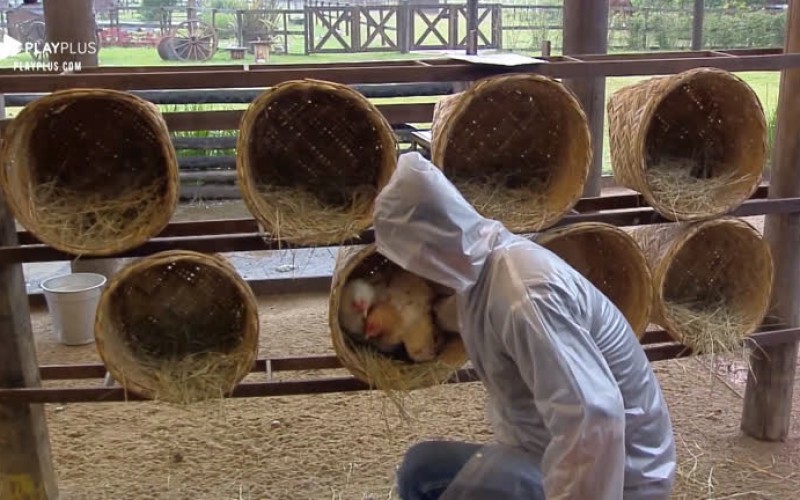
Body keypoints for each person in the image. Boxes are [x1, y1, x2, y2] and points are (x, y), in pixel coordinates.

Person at [372, 152, 677, 500]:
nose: (410, 274)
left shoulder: (524, 297)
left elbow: (595, 420)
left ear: (429, 250)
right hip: (547, 448)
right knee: (421, 468)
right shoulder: (481, 267)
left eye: (409, 261)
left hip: (621, 477)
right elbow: (461, 317)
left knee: (441, 483)